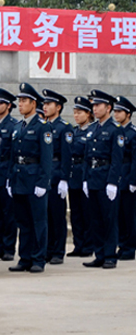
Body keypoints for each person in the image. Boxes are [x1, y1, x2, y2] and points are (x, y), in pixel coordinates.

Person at [8, 83, 52, 273]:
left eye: (24, 101)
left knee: (38, 222)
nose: (20, 104)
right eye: (19, 101)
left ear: (34, 103)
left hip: (35, 180)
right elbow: (12, 155)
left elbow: (46, 158)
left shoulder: (43, 127)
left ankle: (38, 258)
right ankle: (25, 258)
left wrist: (43, 182)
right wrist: (10, 179)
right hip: (19, 179)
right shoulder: (18, 126)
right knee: (23, 221)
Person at [83, 90, 124, 269]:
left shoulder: (116, 129)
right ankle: (99, 254)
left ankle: (110, 255)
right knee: (95, 219)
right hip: (93, 177)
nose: (94, 108)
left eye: (98, 105)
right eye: (93, 105)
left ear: (108, 108)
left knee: (109, 220)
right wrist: (85, 179)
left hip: (106, 178)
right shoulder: (92, 128)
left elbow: (117, 159)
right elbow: (86, 156)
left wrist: (113, 182)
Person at [42, 89, 73, 265]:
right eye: (44, 104)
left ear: (58, 107)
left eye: (49, 104)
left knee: (57, 216)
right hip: (44, 176)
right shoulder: (43, 126)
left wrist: (64, 179)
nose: (45, 107)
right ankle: (47, 249)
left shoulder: (64, 127)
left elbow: (67, 156)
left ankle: (58, 251)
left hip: (56, 175)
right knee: (45, 216)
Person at [0, 88, 18, 262]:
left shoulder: (13, 126)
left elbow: (14, 154)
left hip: (6, 172)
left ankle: (8, 248)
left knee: (9, 215)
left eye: (0, 103)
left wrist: (10, 176)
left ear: (8, 106)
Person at [67, 97, 95, 258]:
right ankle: (78, 244)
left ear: (88, 114)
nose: (76, 116)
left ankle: (88, 245)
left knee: (87, 212)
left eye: (79, 113)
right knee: (76, 213)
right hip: (74, 175)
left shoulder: (92, 131)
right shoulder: (74, 131)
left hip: (86, 174)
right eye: (75, 113)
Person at [114, 96, 136, 261]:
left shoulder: (132, 133)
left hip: (128, 177)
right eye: (115, 111)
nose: (116, 114)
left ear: (128, 114)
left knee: (129, 216)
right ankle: (122, 245)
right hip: (117, 178)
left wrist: (133, 180)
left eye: (119, 112)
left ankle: (129, 248)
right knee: (119, 215)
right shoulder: (117, 131)